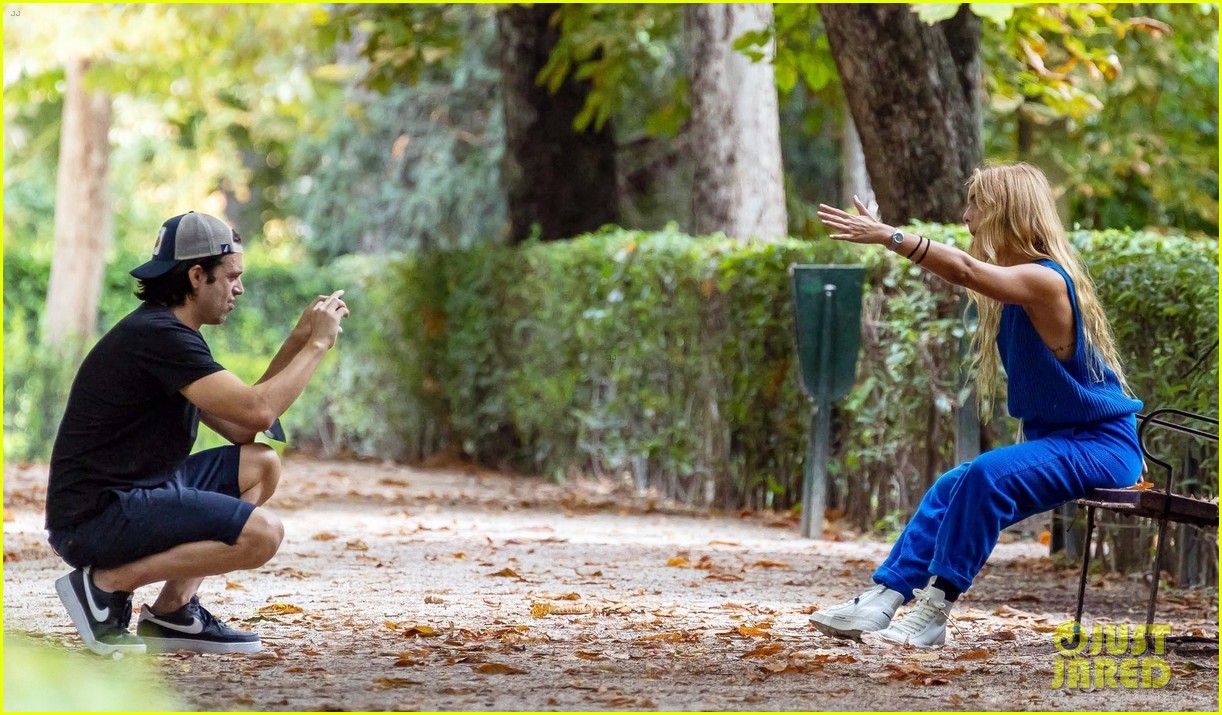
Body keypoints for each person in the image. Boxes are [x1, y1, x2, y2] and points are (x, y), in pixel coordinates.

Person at [808, 163, 1143, 647]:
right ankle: (884, 598)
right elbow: (963, 266)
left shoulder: (1045, 281)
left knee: (985, 477)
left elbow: (963, 268)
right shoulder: (1014, 282)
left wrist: (888, 236)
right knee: (954, 483)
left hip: (1102, 446)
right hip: (1062, 443)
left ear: (1007, 212)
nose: (966, 217)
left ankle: (935, 612)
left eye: (976, 205)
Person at [46, 211, 349, 656]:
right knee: (262, 535)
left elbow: (244, 427)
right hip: (97, 517)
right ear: (196, 275)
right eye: (231, 277)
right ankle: (104, 585)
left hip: (136, 495)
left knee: (261, 464)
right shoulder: (158, 337)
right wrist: (319, 346)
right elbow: (261, 409)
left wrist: (300, 339)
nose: (238, 289)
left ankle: (173, 611)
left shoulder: (167, 333)